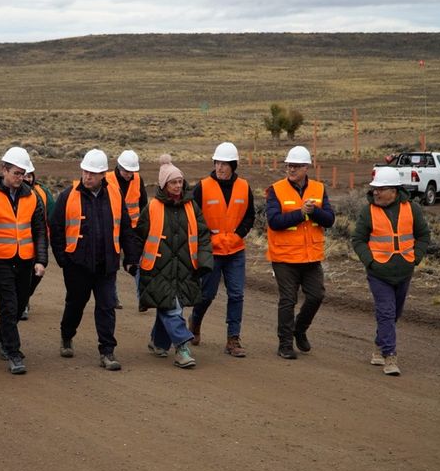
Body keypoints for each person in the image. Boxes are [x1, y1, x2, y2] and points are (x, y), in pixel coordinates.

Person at [50, 149, 142, 371]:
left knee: (107, 306)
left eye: (92, 173)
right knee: (76, 304)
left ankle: (107, 351)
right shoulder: (68, 195)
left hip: (106, 264)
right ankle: (66, 336)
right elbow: (56, 227)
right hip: (77, 265)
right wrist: (63, 259)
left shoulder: (115, 195)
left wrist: (131, 257)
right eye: (85, 171)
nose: (87, 176)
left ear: (103, 175)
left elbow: (126, 228)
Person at [351, 167, 431, 376]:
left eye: (381, 189)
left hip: (404, 271)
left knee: (394, 314)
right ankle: (390, 356)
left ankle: (380, 345)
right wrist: (370, 262)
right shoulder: (368, 211)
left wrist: (416, 258)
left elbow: (423, 235)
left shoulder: (412, 209)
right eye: (375, 189)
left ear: (394, 191)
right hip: (379, 273)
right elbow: (358, 240)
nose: (376, 192)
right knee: (386, 312)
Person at [137, 155, 213, 368]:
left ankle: (158, 342)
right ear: (164, 185)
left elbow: (203, 235)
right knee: (173, 308)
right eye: (173, 182)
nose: (178, 186)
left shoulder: (191, 206)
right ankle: (182, 348)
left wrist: (204, 261)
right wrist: (132, 261)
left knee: (168, 304)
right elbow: (138, 236)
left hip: (185, 269)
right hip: (158, 269)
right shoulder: (153, 207)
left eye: (180, 181)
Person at [266, 145, 335, 359]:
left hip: (310, 256)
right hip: (284, 257)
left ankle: (299, 329)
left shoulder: (319, 189)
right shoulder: (275, 190)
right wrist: (300, 213)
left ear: (306, 167)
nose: (291, 169)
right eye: (289, 165)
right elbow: (274, 221)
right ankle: (285, 344)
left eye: (296, 166)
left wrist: (314, 212)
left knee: (316, 296)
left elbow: (330, 220)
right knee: (288, 300)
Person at [0, 147, 48, 375]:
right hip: (1, 260)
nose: (20, 178)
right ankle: (13, 353)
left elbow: (40, 230)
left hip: (25, 261)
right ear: (4, 170)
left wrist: (41, 260)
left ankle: (0, 336)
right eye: (16, 173)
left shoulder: (32, 197)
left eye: (23, 174)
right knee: (9, 307)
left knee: (20, 305)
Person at [190, 142, 255, 356]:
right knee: (207, 295)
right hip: (211, 252)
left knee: (236, 295)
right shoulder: (202, 187)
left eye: (224, 164)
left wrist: (238, 234)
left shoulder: (244, 187)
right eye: (217, 163)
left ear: (233, 165)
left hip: (235, 250)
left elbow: (250, 216)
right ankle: (195, 322)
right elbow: (192, 216)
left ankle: (233, 340)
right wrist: (206, 239)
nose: (220, 167)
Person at [105, 149, 148, 309]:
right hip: (112, 228)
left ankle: (143, 299)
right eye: (126, 171)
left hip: (133, 229)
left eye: (132, 171)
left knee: (137, 262)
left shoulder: (137, 179)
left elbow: (143, 204)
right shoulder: (107, 179)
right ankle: (112, 298)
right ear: (119, 167)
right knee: (111, 264)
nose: (129, 174)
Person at [21, 170, 55, 319]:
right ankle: (22, 303)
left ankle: (25, 297)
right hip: (19, 243)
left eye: (29, 176)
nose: (27, 179)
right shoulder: (10, 193)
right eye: (24, 175)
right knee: (22, 274)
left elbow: (53, 215)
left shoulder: (43, 192)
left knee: (36, 274)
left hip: (40, 240)